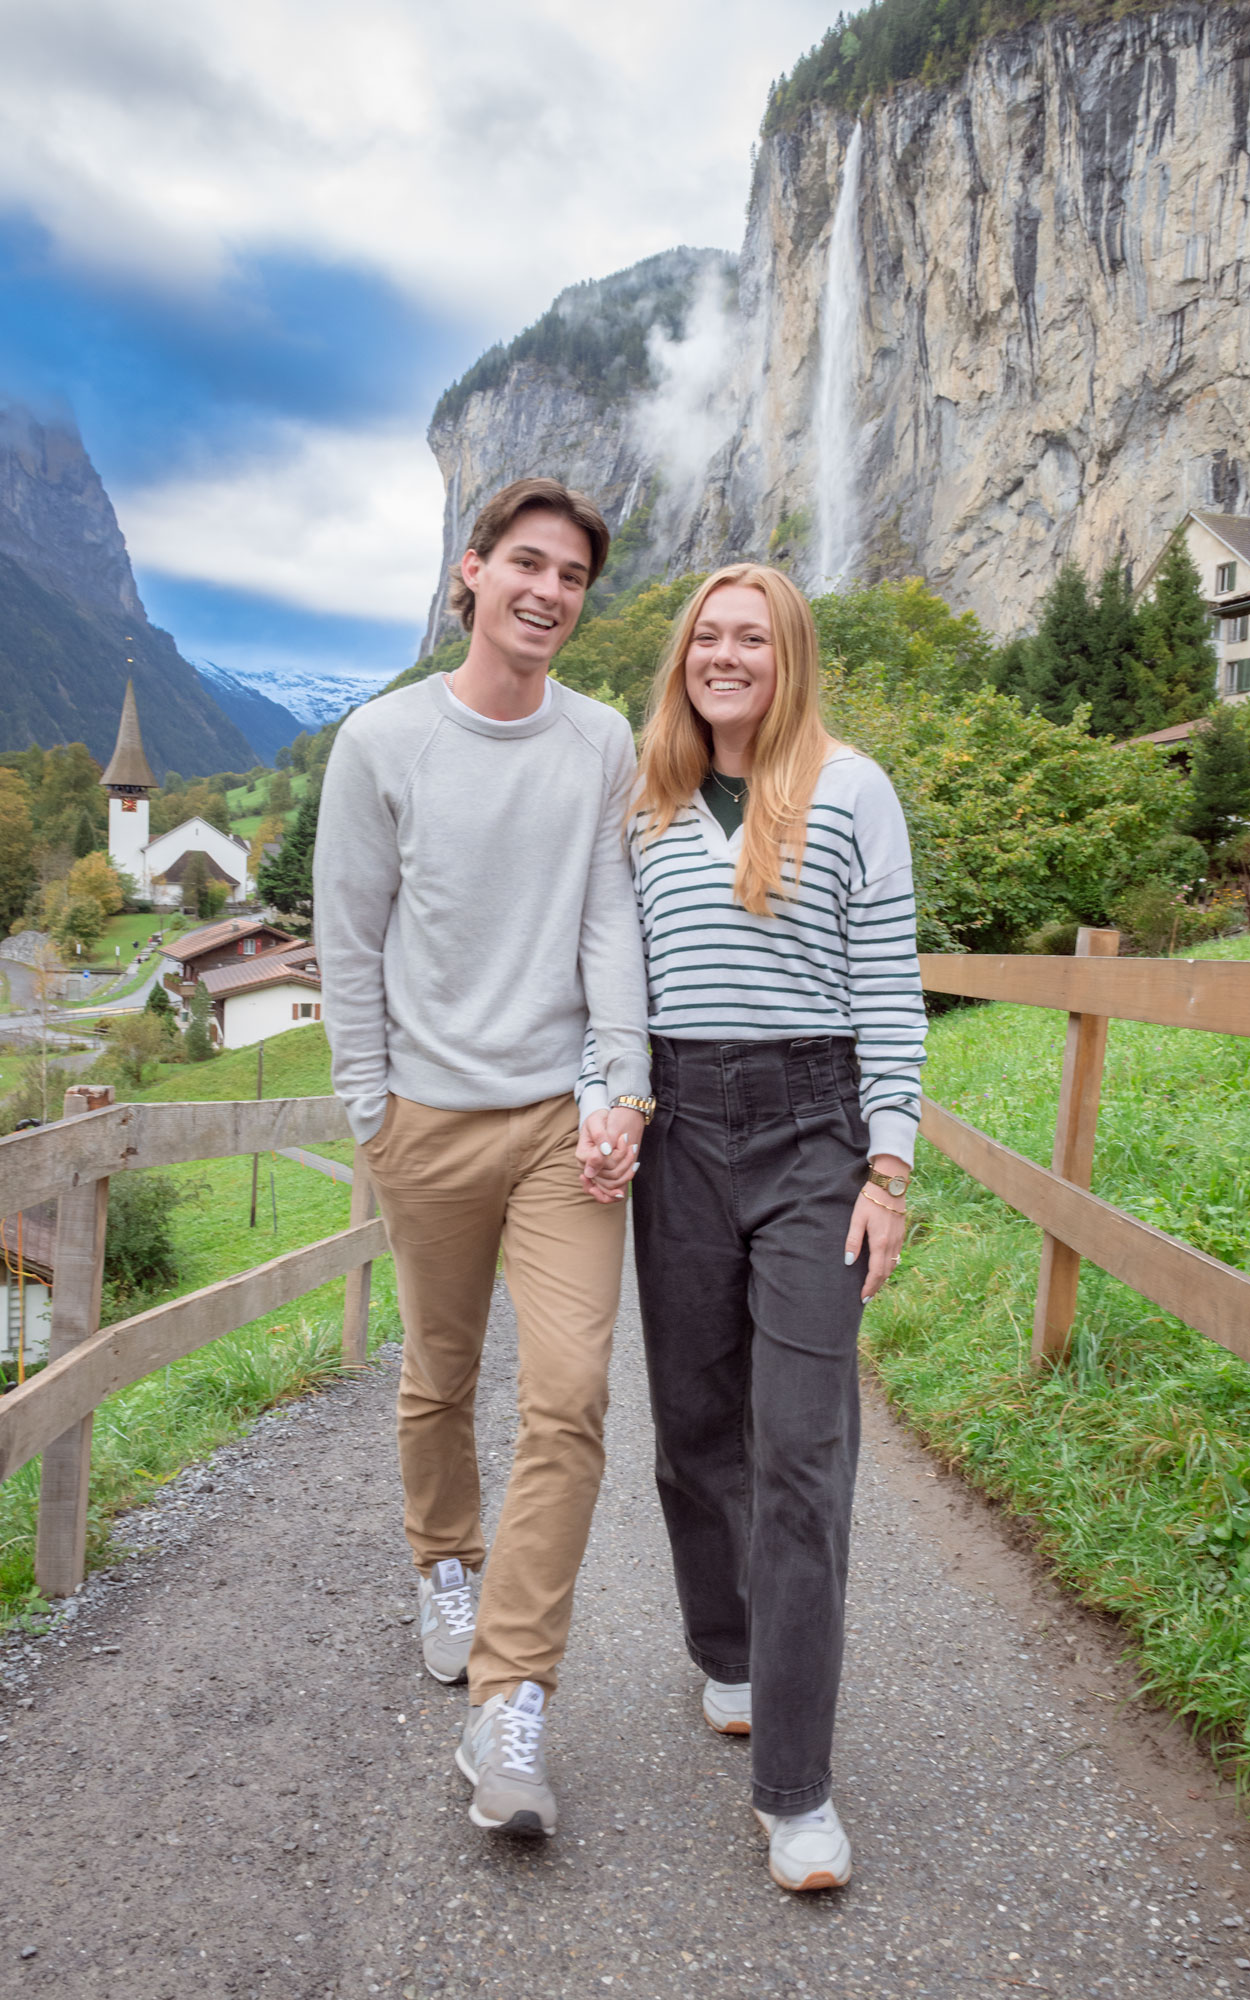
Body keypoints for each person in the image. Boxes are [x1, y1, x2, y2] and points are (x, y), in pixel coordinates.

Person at [314, 477, 650, 1840]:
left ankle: (510, 1703)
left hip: (558, 1123)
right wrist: (367, 1108)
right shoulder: (380, 742)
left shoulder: (600, 742)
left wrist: (620, 1080)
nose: (547, 592)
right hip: (425, 1124)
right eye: (526, 564)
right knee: (440, 1372)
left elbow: (610, 921)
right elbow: (347, 934)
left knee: (567, 1392)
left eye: (570, 576)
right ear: (472, 573)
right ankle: (441, 1560)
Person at [607, 562, 926, 1892]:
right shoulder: (644, 800)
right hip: (677, 1130)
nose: (723, 655)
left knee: (801, 1457)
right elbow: (609, 984)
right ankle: (726, 1650)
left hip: (810, 1133)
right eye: (706, 637)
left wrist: (887, 1166)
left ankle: (794, 1789)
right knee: (691, 1433)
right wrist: (606, 1100)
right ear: (682, 656)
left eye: (750, 637)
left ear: (786, 654)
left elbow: (888, 983)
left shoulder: (851, 789)